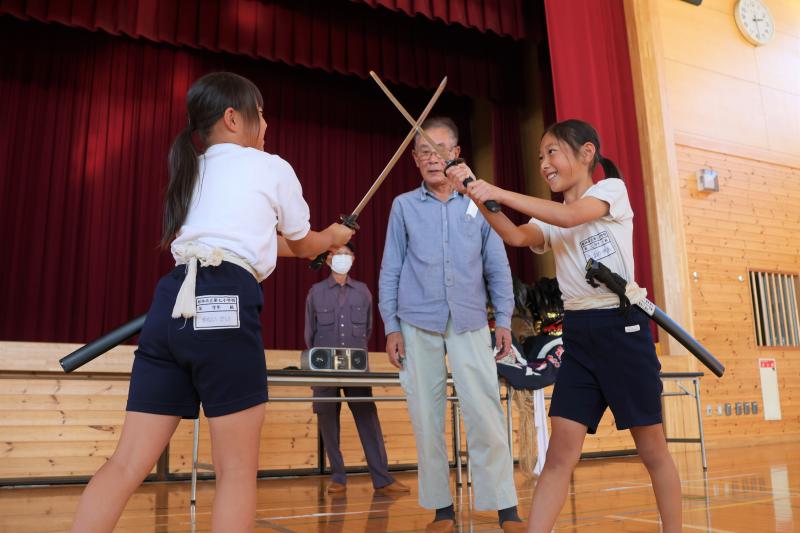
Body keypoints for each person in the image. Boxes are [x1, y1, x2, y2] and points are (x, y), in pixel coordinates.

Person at [70, 71, 354, 533]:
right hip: (226, 301)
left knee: (125, 464)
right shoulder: (271, 166)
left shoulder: (191, 168)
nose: (266, 125)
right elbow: (303, 244)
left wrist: (317, 243)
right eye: (260, 115)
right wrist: (334, 237)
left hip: (171, 303)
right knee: (236, 472)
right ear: (232, 118)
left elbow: (247, 238)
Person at [447, 118, 682, 533]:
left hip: (622, 329)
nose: (544, 163)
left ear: (586, 153)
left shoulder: (610, 191)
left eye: (551, 152)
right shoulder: (551, 217)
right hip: (578, 337)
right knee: (559, 455)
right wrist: (474, 191)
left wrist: (495, 189)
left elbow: (573, 216)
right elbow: (516, 236)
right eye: (540, 156)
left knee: (652, 450)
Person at [378, 117, 526, 533]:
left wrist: (504, 318)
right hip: (416, 322)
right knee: (426, 416)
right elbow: (391, 268)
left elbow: (498, 266)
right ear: (413, 159)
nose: (431, 158)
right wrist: (391, 325)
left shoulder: (477, 203)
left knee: (486, 413)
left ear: (456, 154)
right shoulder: (403, 206)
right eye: (423, 151)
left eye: (439, 149)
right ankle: (442, 510)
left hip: (470, 320)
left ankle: (505, 508)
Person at [304, 243, 410, 495]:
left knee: (368, 419)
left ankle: (382, 479)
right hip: (324, 367)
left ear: (353, 258)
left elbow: (369, 329)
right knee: (328, 421)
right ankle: (338, 477)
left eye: (346, 254)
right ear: (328, 259)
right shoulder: (315, 292)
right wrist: (314, 369)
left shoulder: (363, 292)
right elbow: (310, 333)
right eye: (336, 254)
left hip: (356, 366)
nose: (341, 258)